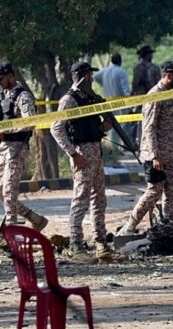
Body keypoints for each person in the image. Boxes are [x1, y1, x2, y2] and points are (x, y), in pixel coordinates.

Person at [50, 61, 123, 262]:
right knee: (81, 200)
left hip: (96, 152)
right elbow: (56, 128)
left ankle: (101, 244)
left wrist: (103, 127)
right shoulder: (69, 99)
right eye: (89, 74)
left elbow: (90, 124)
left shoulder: (89, 97)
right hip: (82, 154)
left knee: (99, 200)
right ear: (83, 76)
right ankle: (76, 246)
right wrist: (73, 154)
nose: (91, 78)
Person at [120, 61, 173, 233]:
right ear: (170, 76)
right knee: (154, 191)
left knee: (172, 189)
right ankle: (130, 225)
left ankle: (169, 223)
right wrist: (155, 155)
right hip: (156, 156)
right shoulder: (155, 95)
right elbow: (149, 127)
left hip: (168, 154)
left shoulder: (166, 95)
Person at [0, 61, 48, 231]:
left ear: (10, 76)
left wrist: (6, 131)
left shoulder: (23, 96)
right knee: (0, 191)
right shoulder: (4, 96)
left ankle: (12, 230)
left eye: (1, 79)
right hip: (4, 149)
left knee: (9, 191)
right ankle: (35, 218)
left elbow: (29, 122)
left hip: (17, 148)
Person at [93, 52, 131, 151]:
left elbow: (95, 76)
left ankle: (114, 149)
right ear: (120, 61)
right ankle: (122, 147)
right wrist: (130, 103)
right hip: (121, 103)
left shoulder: (105, 71)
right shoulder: (121, 71)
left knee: (112, 125)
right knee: (123, 124)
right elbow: (126, 90)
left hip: (109, 103)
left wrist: (103, 84)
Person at [129, 45, 162, 145]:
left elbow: (135, 85)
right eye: (150, 54)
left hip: (142, 100)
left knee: (142, 123)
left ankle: (142, 144)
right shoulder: (155, 68)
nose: (151, 56)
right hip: (154, 99)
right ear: (147, 55)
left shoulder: (138, 68)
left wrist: (132, 98)